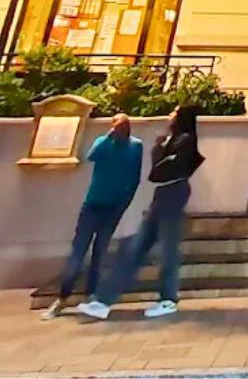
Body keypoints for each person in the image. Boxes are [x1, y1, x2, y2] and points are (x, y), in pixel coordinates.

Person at [78, 107, 204, 320]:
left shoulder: (185, 140)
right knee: (136, 248)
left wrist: (160, 148)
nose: (170, 116)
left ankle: (168, 299)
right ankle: (103, 301)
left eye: (174, 113)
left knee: (168, 248)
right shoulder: (173, 139)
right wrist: (160, 148)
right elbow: (157, 169)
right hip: (163, 193)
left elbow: (162, 169)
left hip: (174, 192)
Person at [42, 115, 143, 319]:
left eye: (123, 127)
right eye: (117, 128)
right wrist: (108, 136)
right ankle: (62, 298)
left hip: (113, 208)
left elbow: (135, 177)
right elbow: (91, 156)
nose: (120, 131)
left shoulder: (135, 146)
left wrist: (125, 203)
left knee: (100, 253)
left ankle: (91, 295)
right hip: (93, 205)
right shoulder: (104, 143)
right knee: (78, 253)